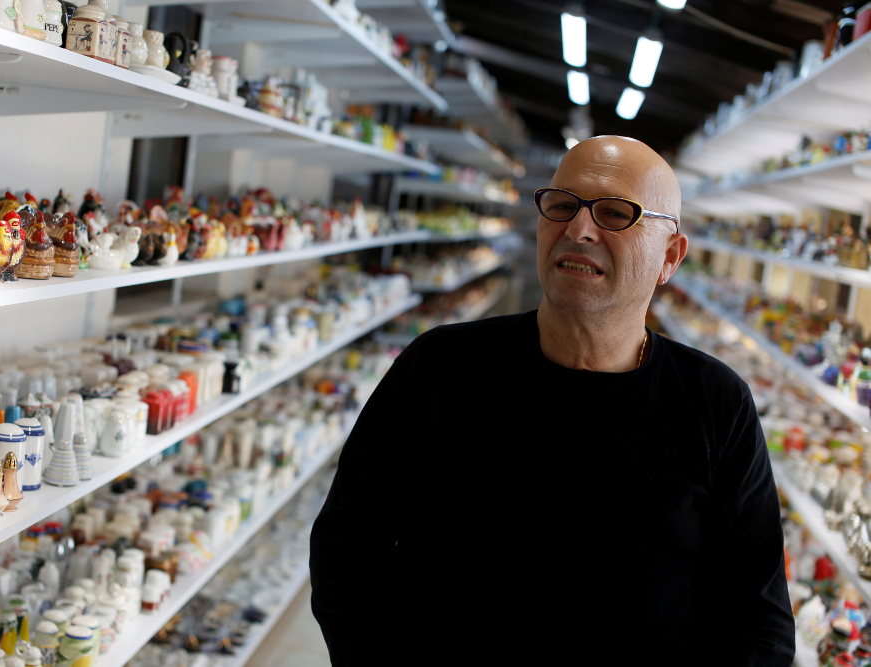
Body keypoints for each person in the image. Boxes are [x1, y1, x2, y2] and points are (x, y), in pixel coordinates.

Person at [309, 136, 795, 666]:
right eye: (562, 205)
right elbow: (348, 550)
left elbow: (760, 618)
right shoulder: (440, 369)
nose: (578, 228)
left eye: (615, 213)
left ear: (669, 257)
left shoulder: (716, 402)